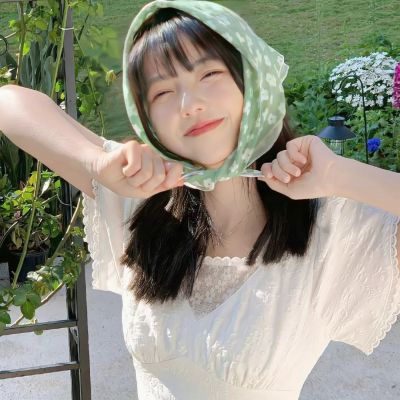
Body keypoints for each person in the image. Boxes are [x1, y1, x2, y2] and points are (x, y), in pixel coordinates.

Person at [0, 1, 399, 399]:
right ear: (146, 120)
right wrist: (95, 162)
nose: (189, 104)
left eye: (209, 73)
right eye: (162, 91)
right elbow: (9, 104)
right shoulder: (142, 197)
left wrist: (338, 176)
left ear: (252, 79)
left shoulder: (329, 229)